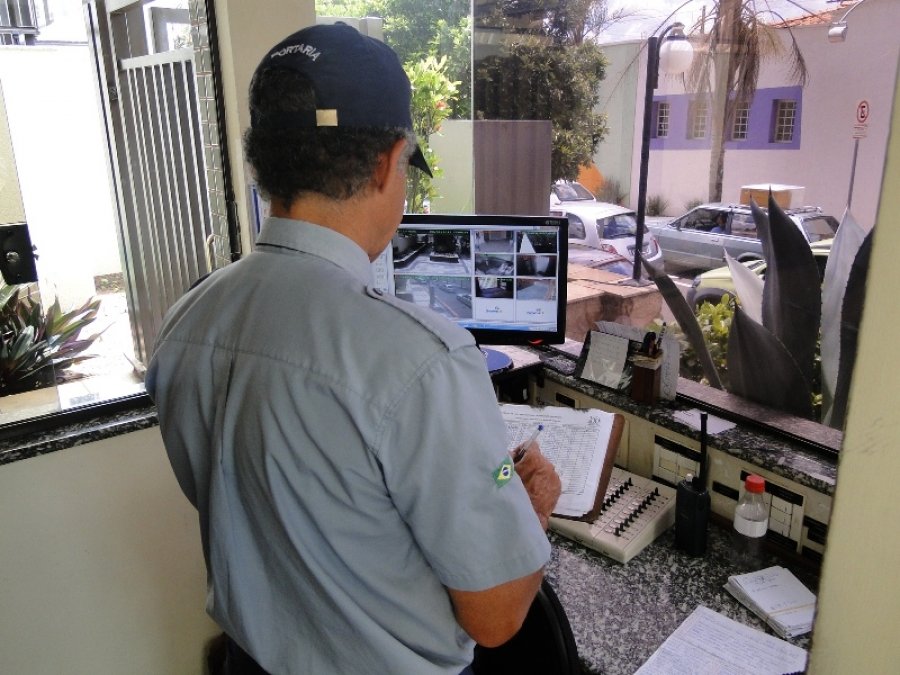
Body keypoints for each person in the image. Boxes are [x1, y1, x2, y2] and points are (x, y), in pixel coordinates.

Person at [145, 23, 561, 675]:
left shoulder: (187, 319)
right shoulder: (424, 361)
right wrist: (525, 504)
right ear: (387, 163)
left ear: (262, 163)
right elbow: (497, 615)